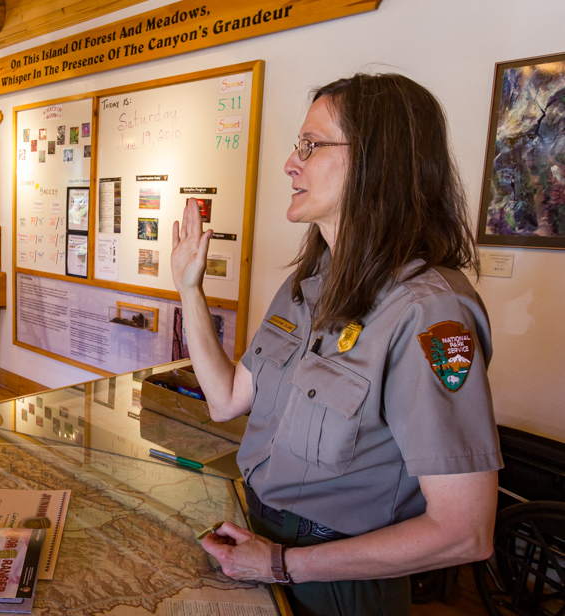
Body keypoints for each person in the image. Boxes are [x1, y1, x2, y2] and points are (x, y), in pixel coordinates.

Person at [170, 73, 502, 616]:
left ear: (377, 162)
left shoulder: (430, 313)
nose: (290, 163)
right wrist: (190, 289)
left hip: (336, 581)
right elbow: (226, 398)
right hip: (254, 540)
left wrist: (281, 564)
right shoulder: (307, 282)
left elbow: (465, 532)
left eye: (311, 145)